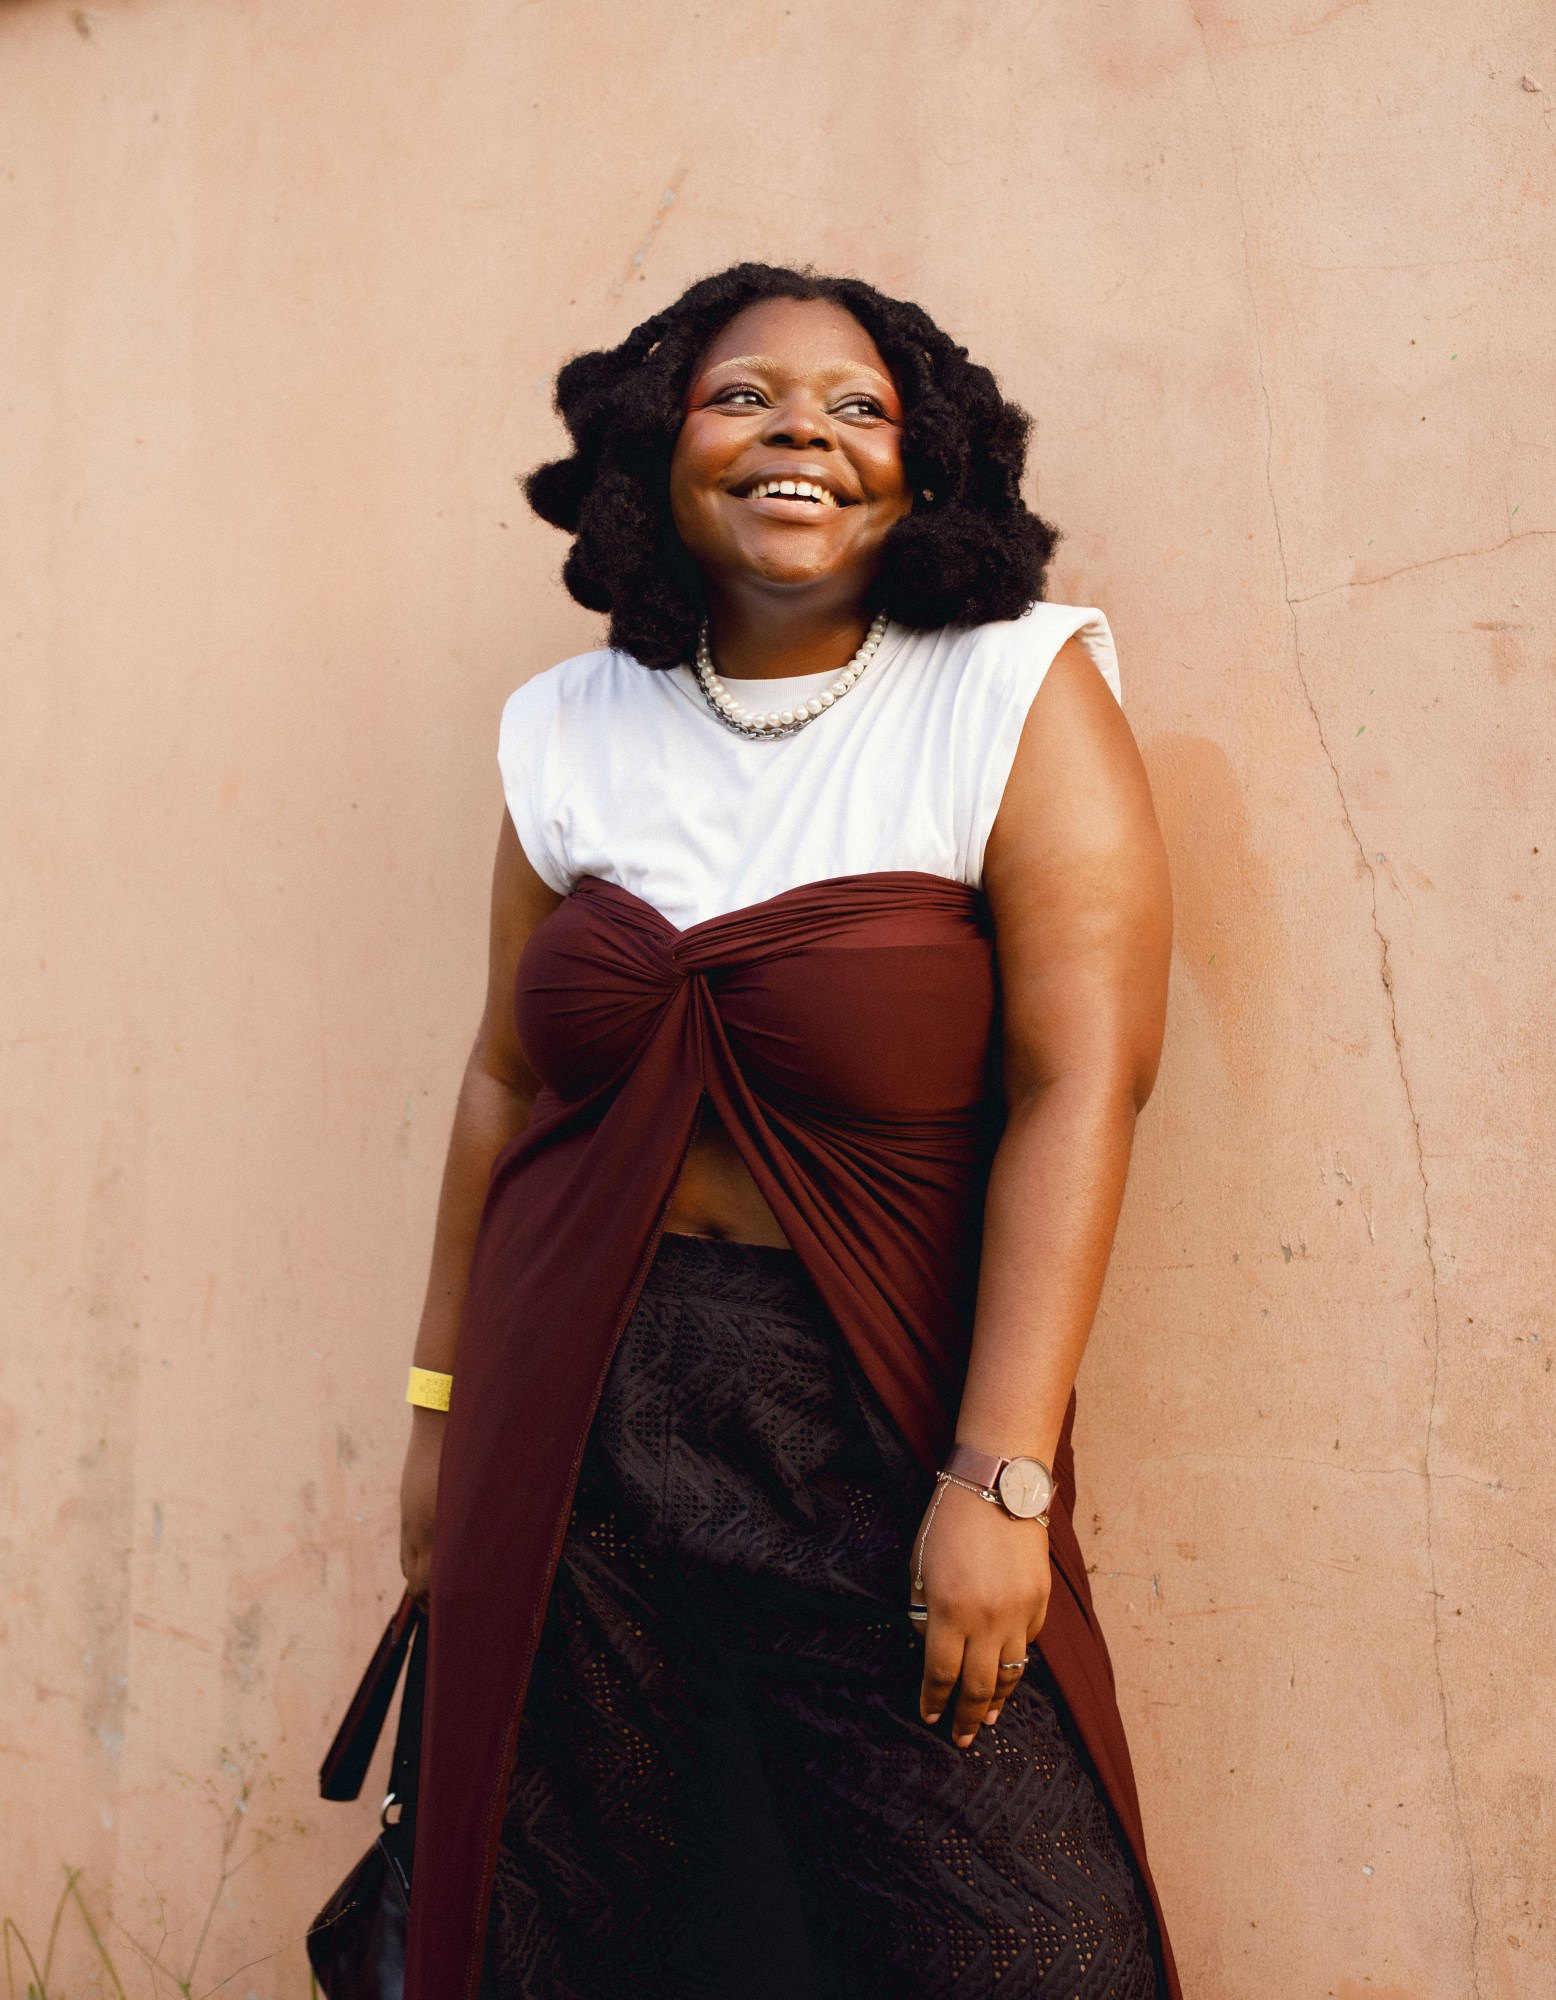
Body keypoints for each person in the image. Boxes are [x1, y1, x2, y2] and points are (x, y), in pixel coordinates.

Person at [395, 262, 1179, 1999]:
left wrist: (1001, 1477)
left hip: (874, 1410)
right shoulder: (567, 726)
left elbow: (1082, 1083)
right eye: (744, 394)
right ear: (655, 450)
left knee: (1035, 1951)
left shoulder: (1011, 687)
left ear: (927, 467)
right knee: (582, 1916)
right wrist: (443, 1418)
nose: (800, 431)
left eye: (860, 406)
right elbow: (504, 1082)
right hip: (580, 1401)